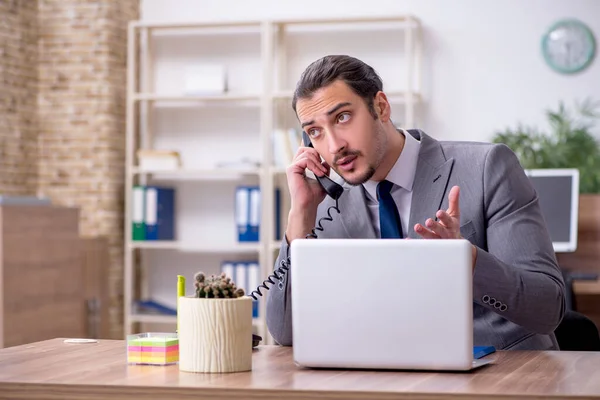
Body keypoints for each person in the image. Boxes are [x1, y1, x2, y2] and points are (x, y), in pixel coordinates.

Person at [265, 54, 566, 351]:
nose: (333, 146)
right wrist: (300, 216)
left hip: (503, 375)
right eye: (314, 132)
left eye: (342, 117)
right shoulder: (327, 206)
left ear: (380, 107)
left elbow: (548, 309)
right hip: (388, 379)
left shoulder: (487, 167)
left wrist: (469, 261)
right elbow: (285, 333)